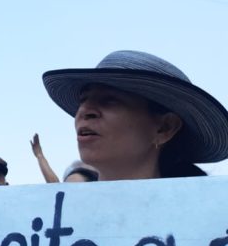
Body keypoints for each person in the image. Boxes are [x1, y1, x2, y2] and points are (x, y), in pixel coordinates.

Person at [42, 50, 228, 180]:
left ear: (165, 128)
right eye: (83, 100)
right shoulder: (54, 219)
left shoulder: (210, 219)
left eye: (109, 99)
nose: (84, 111)